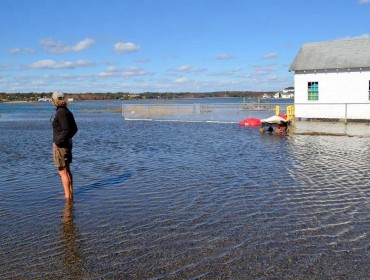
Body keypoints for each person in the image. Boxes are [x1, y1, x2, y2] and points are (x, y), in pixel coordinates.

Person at [51, 91, 78, 200]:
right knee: (66, 170)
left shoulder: (61, 112)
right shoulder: (66, 111)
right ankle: (70, 194)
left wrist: (59, 141)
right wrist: (66, 139)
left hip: (61, 146)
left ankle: (67, 197)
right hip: (66, 144)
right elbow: (74, 129)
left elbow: (68, 129)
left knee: (62, 171)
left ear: (54, 101)